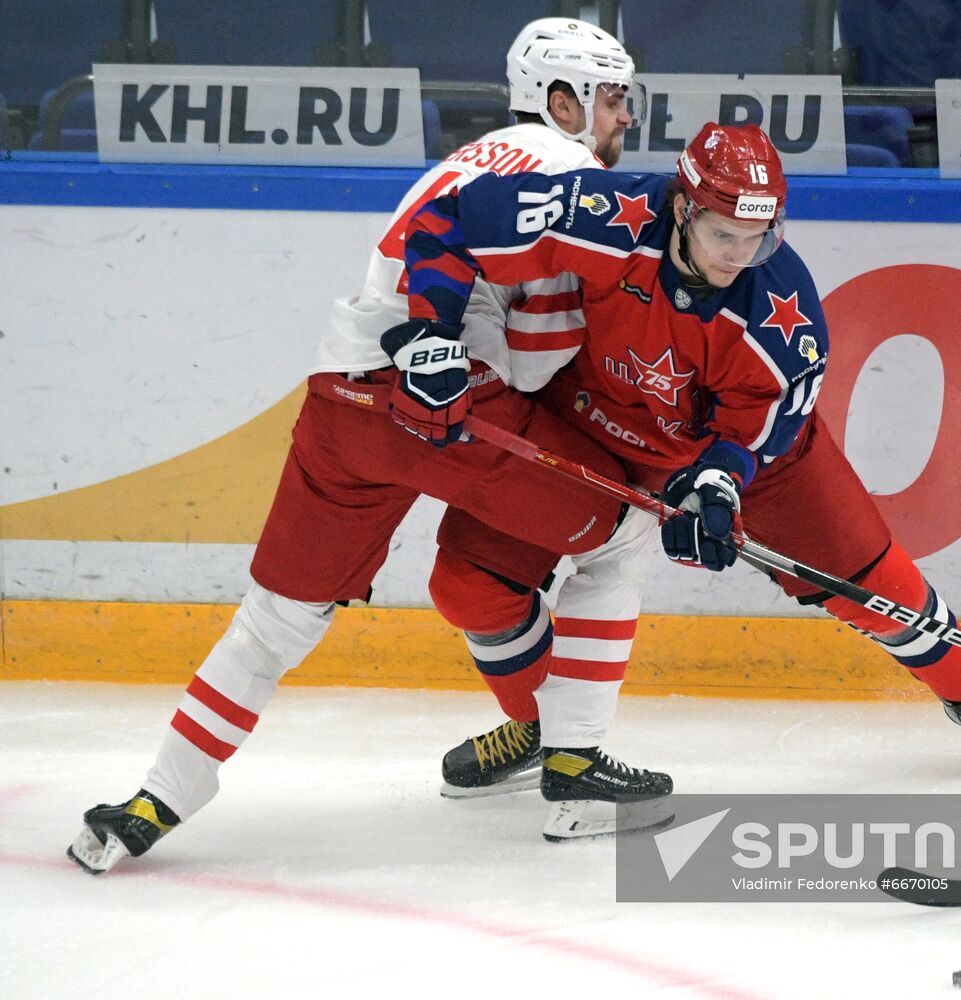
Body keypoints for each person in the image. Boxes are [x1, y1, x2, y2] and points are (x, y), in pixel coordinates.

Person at [67, 18, 668, 875]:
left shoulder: (468, 157)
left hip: (342, 398)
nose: (622, 119)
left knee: (275, 620)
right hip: (448, 407)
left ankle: (153, 803)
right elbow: (530, 364)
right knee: (625, 530)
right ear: (562, 99)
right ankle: (575, 781)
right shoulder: (566, 168)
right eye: (611, 98)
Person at [391, 122, 961, 777]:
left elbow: (757, 429)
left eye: (758, 236)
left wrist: (717, 482)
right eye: (723, 233)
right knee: (467, 585)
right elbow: (449, 221)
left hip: (747, 459)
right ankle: (543, 728)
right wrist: (433, 334)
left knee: (873, 582)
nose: (738, 256)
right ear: (682, 207)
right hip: (589, 424)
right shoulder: (606, 215)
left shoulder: (786, 316)